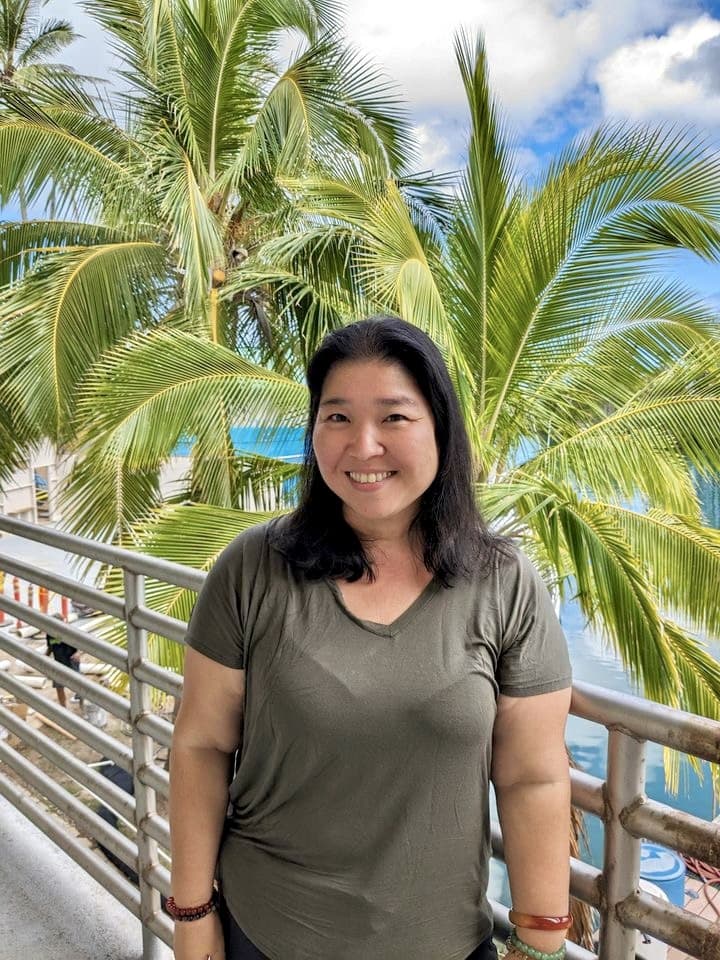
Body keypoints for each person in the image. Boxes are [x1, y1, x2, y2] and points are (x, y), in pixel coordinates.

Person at [169, 316, 573, 960]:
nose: (363, 446)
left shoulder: (504, 584)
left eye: (394, 417)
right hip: (266, 933)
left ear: (439, 427)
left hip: (443, 943)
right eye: (336, 418)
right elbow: (201, 743)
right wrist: (192, 915)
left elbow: (532, 778)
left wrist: (540, 943)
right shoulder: (252, 569)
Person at [46, 614, 82, 709]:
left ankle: (82, 705)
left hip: (71, 661)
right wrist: (44, 658)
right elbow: (50, 646)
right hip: (58, 663)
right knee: (59, 687)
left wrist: (78, 653)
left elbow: (82, 643)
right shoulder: (50, 633)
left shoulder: (70, 631)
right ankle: (63, 709)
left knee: (79, 686)